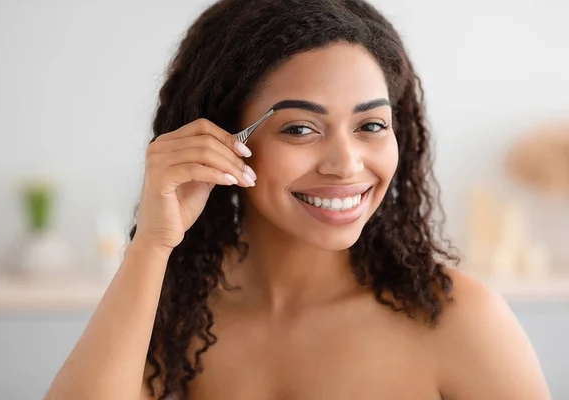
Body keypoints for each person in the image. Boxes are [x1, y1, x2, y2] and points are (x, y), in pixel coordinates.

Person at [45, 0, 551, 399]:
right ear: (223, 140)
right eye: (301, 128)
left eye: (371, 125)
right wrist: (153, 244)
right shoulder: (182, 314)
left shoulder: (458, 320)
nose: (346, 163)